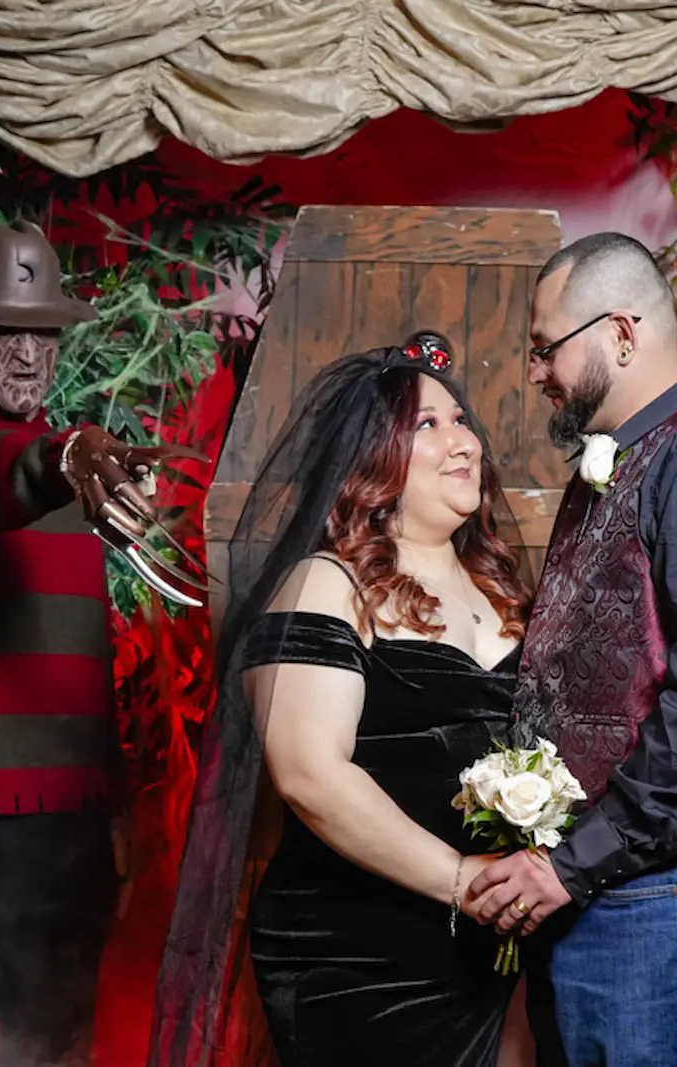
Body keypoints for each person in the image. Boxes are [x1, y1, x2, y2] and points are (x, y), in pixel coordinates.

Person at [149, 332, 536, 1067]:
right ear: (372, 460)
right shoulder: (327, 585)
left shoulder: (505, 589)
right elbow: (308, 775)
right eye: (428, 425)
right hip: (360, 955)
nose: (463, 441)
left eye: (461, 420)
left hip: (488, 950)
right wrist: (463, 880)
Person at [467, 232, 677, 1067]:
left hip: (657, 891)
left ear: (621, 333)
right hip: (597, 887)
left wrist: (573, 862)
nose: (536, 370)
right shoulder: (618, 466)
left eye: (546, 347)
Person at [0, 221, 193, 1066]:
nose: (27, 355)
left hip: (70, 825)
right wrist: (57, 458)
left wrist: (117, 805)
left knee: (57, 1042)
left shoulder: (83, 478)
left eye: (43, 334)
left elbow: (85, 667)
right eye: (4, 331)